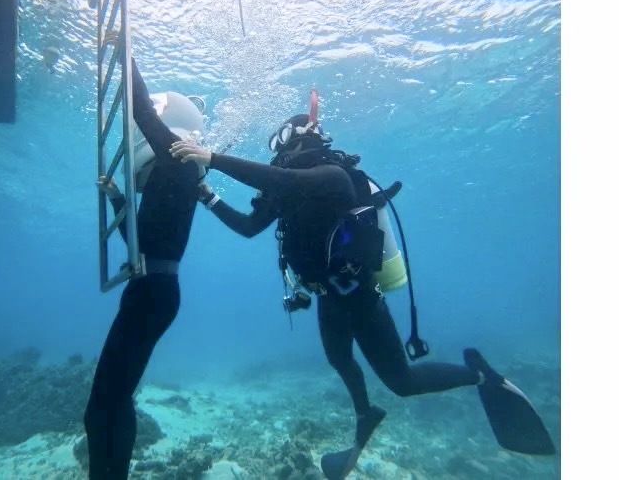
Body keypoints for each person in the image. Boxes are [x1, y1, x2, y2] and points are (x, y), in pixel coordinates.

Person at [170, 105, 555, 479]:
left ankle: (480, 375)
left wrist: (213, 157)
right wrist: (207, 195)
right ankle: (365, 414)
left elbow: (286, 181)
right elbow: (249, 226)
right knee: (339, 360)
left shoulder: (334, 176)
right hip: (327, 297)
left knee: (402, 383)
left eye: (284, 141)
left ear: (304, 140)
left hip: (360, 298)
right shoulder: (283, 191)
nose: (279, 152)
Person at [84, 54, 205, 480]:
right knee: (114, 399)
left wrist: (127, 54)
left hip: (151, 293)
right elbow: (142, 243)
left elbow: (141, 109)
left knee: (102, 406)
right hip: (153, 289)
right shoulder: (176, 177)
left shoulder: (175, 164)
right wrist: (119, 198)